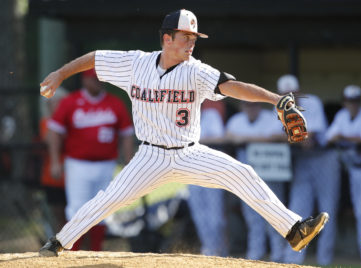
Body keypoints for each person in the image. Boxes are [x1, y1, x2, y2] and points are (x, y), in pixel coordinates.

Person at [38, 9, 328, 257]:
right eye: (185, 37)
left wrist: (275, 99)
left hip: (190, 153)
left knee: (242, 174)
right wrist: (61, 74)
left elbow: (231, 85)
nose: (191, 43)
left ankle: (293, 230)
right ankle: (59, 242)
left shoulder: (196, 71)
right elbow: (95, 58)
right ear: (167, 38)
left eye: (194, 38)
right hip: (149, 157)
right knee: (109, 199)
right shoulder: (135, 63)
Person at [46, 69, 134, 251]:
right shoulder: (70, 102)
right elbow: (54, 131)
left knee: (103, 208)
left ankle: (96, 251)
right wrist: (55, 161)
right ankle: (73, 252)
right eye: (94, 79)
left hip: (106, 164)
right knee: (77, 208)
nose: (98, 82)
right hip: (77, 164)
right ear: (85, 80)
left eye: (101, 79)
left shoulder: (114, 103)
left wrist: (128, 161)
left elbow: (126, 133)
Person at [277, 75, 341, 265]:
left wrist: (294, 137)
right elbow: (287, 137)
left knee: (328, 209)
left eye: (293, 93)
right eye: (285, 94)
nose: (290, 96)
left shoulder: (312, 102)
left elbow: (309, 135)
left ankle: (324, 260)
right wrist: (297, 138)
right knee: (297, 208)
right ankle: (292, 259)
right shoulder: (280, 106)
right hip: (303, 160)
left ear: (299, 91)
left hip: (324, 158)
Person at [325, 85, 361, 266]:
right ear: (344, 102)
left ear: (360, 101)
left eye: (355, 101)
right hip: (354, 170)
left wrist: (343, 137)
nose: (352, 104)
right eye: (349, 101)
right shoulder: (342, 116)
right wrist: (350, 138)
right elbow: (329, 137)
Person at [226, 101, 286, 261]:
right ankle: (255, 255)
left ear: (260, 106)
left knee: (274, 214)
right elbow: (228, 136)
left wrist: (246, 139)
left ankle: (278, 255)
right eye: (248, 105)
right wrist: (258, 139)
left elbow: (280, 136)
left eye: (255, 105)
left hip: (269, 173)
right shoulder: (237, 120)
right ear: (242, 106)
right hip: (246, 176)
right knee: (252, 217)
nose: (251, 108)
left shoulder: (270, 118)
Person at [187, 105, 228, 256]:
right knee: (198, 215)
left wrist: (192, 142)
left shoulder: (210, 114)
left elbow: (219, 138)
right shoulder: (180, 114)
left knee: (215, 217)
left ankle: (221, 250)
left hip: (211, 171)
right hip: (190, 172)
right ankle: (209, 249)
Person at [39, 87, 69, 233]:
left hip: (72, 177)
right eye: (55, 103)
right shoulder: (46, 123)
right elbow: (50, 139)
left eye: (62, 102)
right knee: (60, 218)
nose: (59, 105)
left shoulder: (73, 121)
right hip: (53, 178)